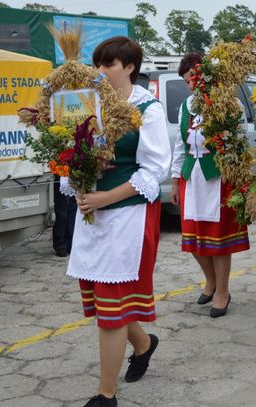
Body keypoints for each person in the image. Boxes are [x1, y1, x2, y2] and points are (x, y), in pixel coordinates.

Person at [63, 37, 171, 407]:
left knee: (110, 309)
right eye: (99, 64)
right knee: (103, 301)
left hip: (128, 214)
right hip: (93, 212)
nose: (101, 71)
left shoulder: (148, 110)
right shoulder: (89, 105)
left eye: (108, 64)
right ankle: (143, 344)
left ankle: (105, 394)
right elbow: (75, 152)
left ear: (129, 67)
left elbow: (156, 170)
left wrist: (106, 197)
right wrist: (73, 177)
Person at [170, 52, 250, 319]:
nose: (190, 84)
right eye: (186, 80)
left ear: (205, 75)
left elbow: (240, 142)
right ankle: (210, 280)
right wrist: (174, 179)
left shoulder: (229, 103)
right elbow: (180, 144)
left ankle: (223, 291)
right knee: (192, 238)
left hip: (218, 177)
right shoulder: (186, 106)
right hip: (191, 177)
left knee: (218, 238)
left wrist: (240, 177)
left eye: (193, 77)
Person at [52, 174, 77, 257]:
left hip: (74, 174)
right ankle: (60, 244)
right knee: (62, 211)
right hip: (61, 173)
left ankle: (70, 243)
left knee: (73, 209)